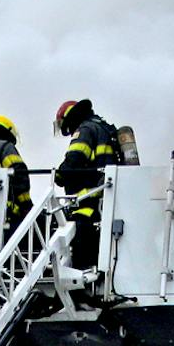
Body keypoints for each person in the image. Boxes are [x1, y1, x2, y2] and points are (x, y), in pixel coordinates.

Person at [53, 98, 121, 273]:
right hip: (103, 202)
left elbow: (74, 159)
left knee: (79, 241)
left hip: (87, 201)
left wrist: (60, 174)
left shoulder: (84, 130)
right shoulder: (104, 128)